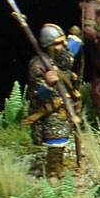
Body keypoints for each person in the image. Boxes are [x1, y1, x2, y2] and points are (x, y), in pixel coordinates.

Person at [23, 24, 81, 177]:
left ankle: (59, 163)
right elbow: (38, 95)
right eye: (58, 43)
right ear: (49, 46)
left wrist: (77, 35)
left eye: (64, 41)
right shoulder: (38, 66)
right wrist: (48, 84)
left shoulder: (62, 56)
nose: (64, 45)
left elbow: (72, 47)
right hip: (51, 110)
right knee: (56, 139)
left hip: (66, 108)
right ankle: (53, 170)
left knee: (64, 136)